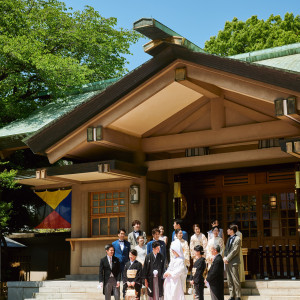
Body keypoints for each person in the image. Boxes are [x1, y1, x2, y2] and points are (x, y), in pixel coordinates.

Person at [224, 224, 241, 300]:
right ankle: (231, 295)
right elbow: (226, 249)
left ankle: (238, 296)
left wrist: (227, 258)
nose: (227, 231)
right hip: (227, 261)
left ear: (231, 230)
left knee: (235, 279)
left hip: (234, 261)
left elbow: (235, 251)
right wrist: (224, 257)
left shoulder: (238, 239)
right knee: (229, 279)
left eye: (228, 229)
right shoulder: (228, 239)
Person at [170, 229, 190, 293]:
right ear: (176, 234)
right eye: (179, 233)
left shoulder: (185, 242)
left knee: (183, 277)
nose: (181, 234)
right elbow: (171, 253)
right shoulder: (173, 243)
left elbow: (186, 252)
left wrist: (183, 259)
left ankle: (182, 292)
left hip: (182, 262)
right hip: (176, 262)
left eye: (181, 233)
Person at [135, 235, 148, 299]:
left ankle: (146, 296)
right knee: (140, 281)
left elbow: (147, 255)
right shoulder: (136, 248)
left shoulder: (146, 246)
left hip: (145, 265)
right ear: (137, 240)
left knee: (145, 281)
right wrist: (141, 262)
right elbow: (136, 256)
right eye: (140, 239)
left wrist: (144, 262)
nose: (141, 240)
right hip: (139, 265)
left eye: (142, 238)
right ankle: (141, 297)